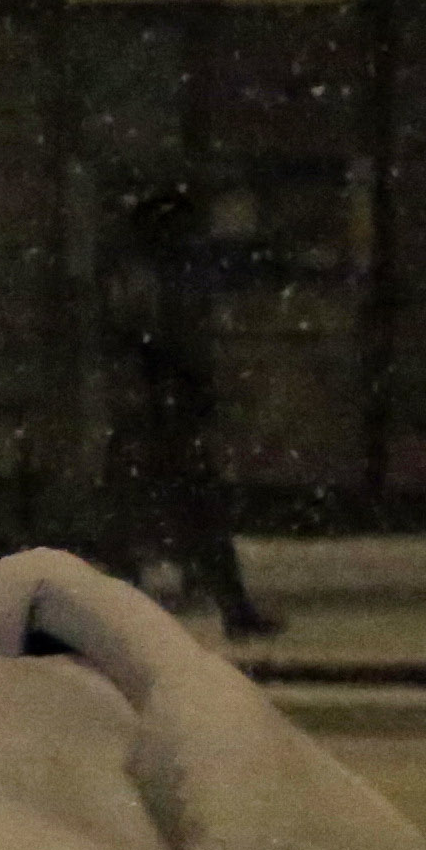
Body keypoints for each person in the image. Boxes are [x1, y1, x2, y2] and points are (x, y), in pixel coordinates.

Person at [94, 182, 278, 641]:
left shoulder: (145, 274)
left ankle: (125, 614)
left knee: (147, 515)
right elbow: (152, 343)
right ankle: (229, 608)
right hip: (160, 412)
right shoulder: (154, 278)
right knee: (190, 509)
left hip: (156, 412)